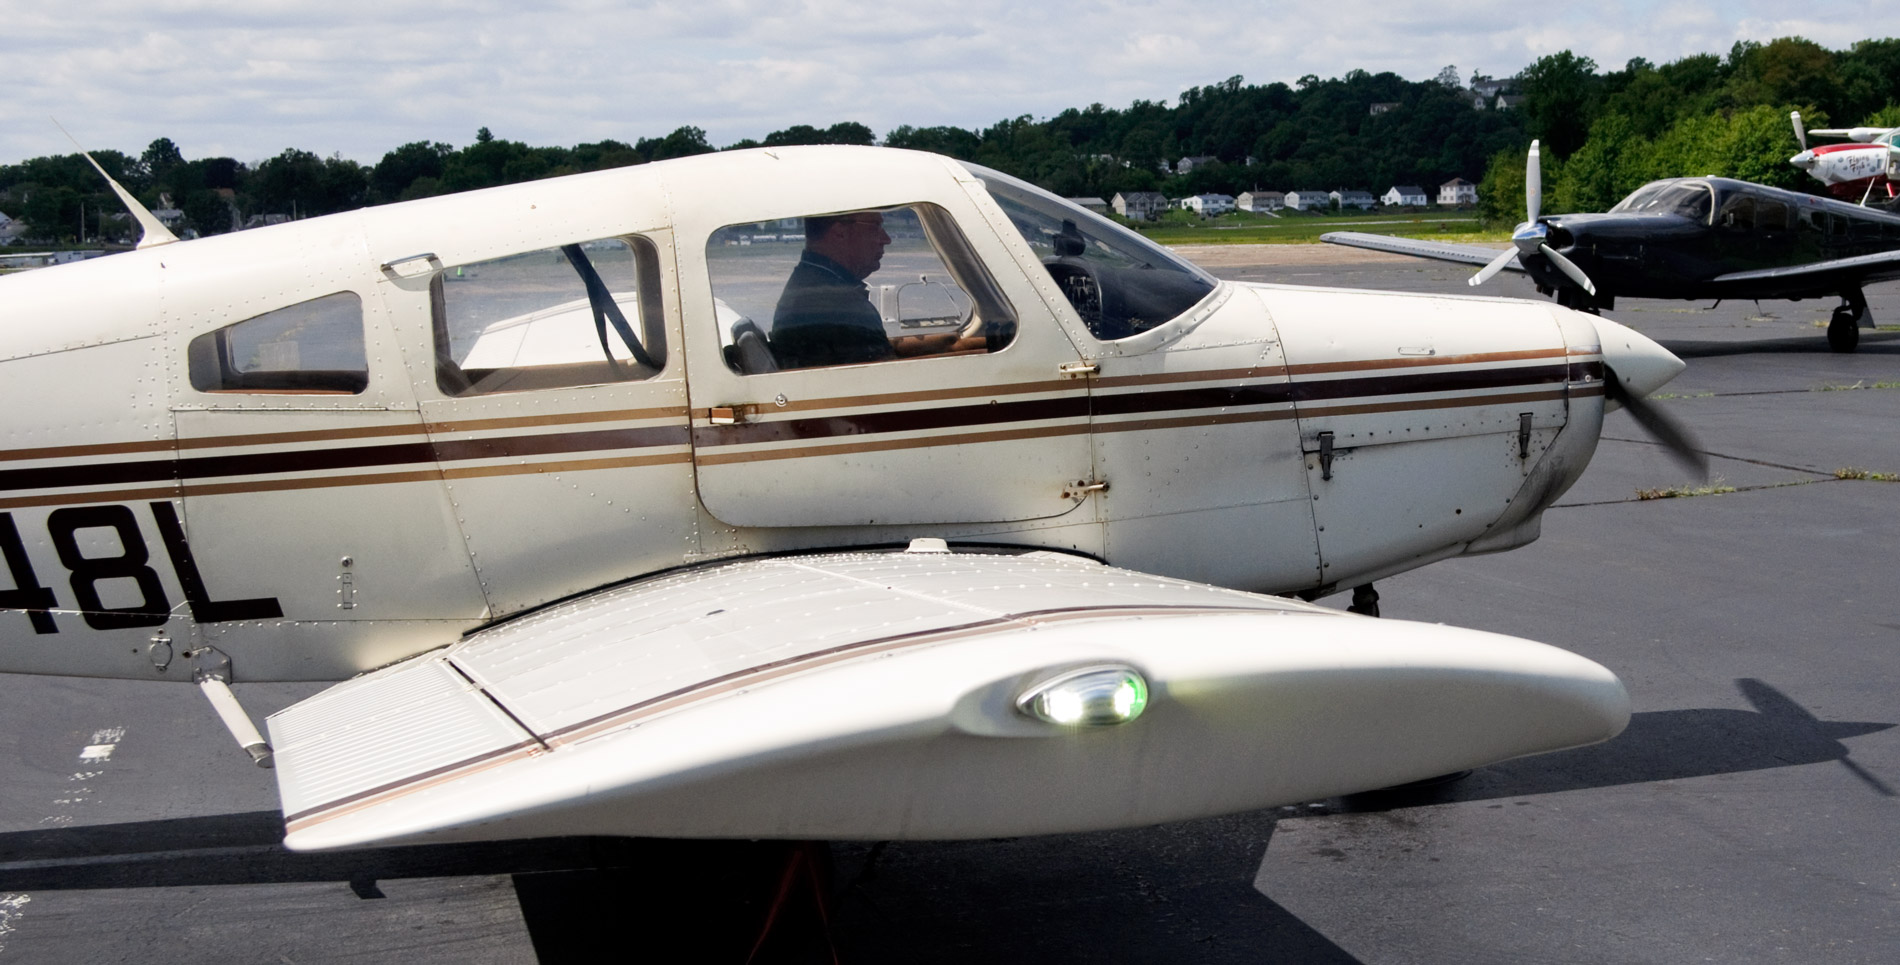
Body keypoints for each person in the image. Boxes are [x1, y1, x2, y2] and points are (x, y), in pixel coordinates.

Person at [770, 210, 984, 369]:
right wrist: (984, 358)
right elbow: (887, 372)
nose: (886, 239)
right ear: (839, 233)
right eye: (875, 227)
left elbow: (878, 351)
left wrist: (956, 344)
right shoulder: (830, 302)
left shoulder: (821, 285)